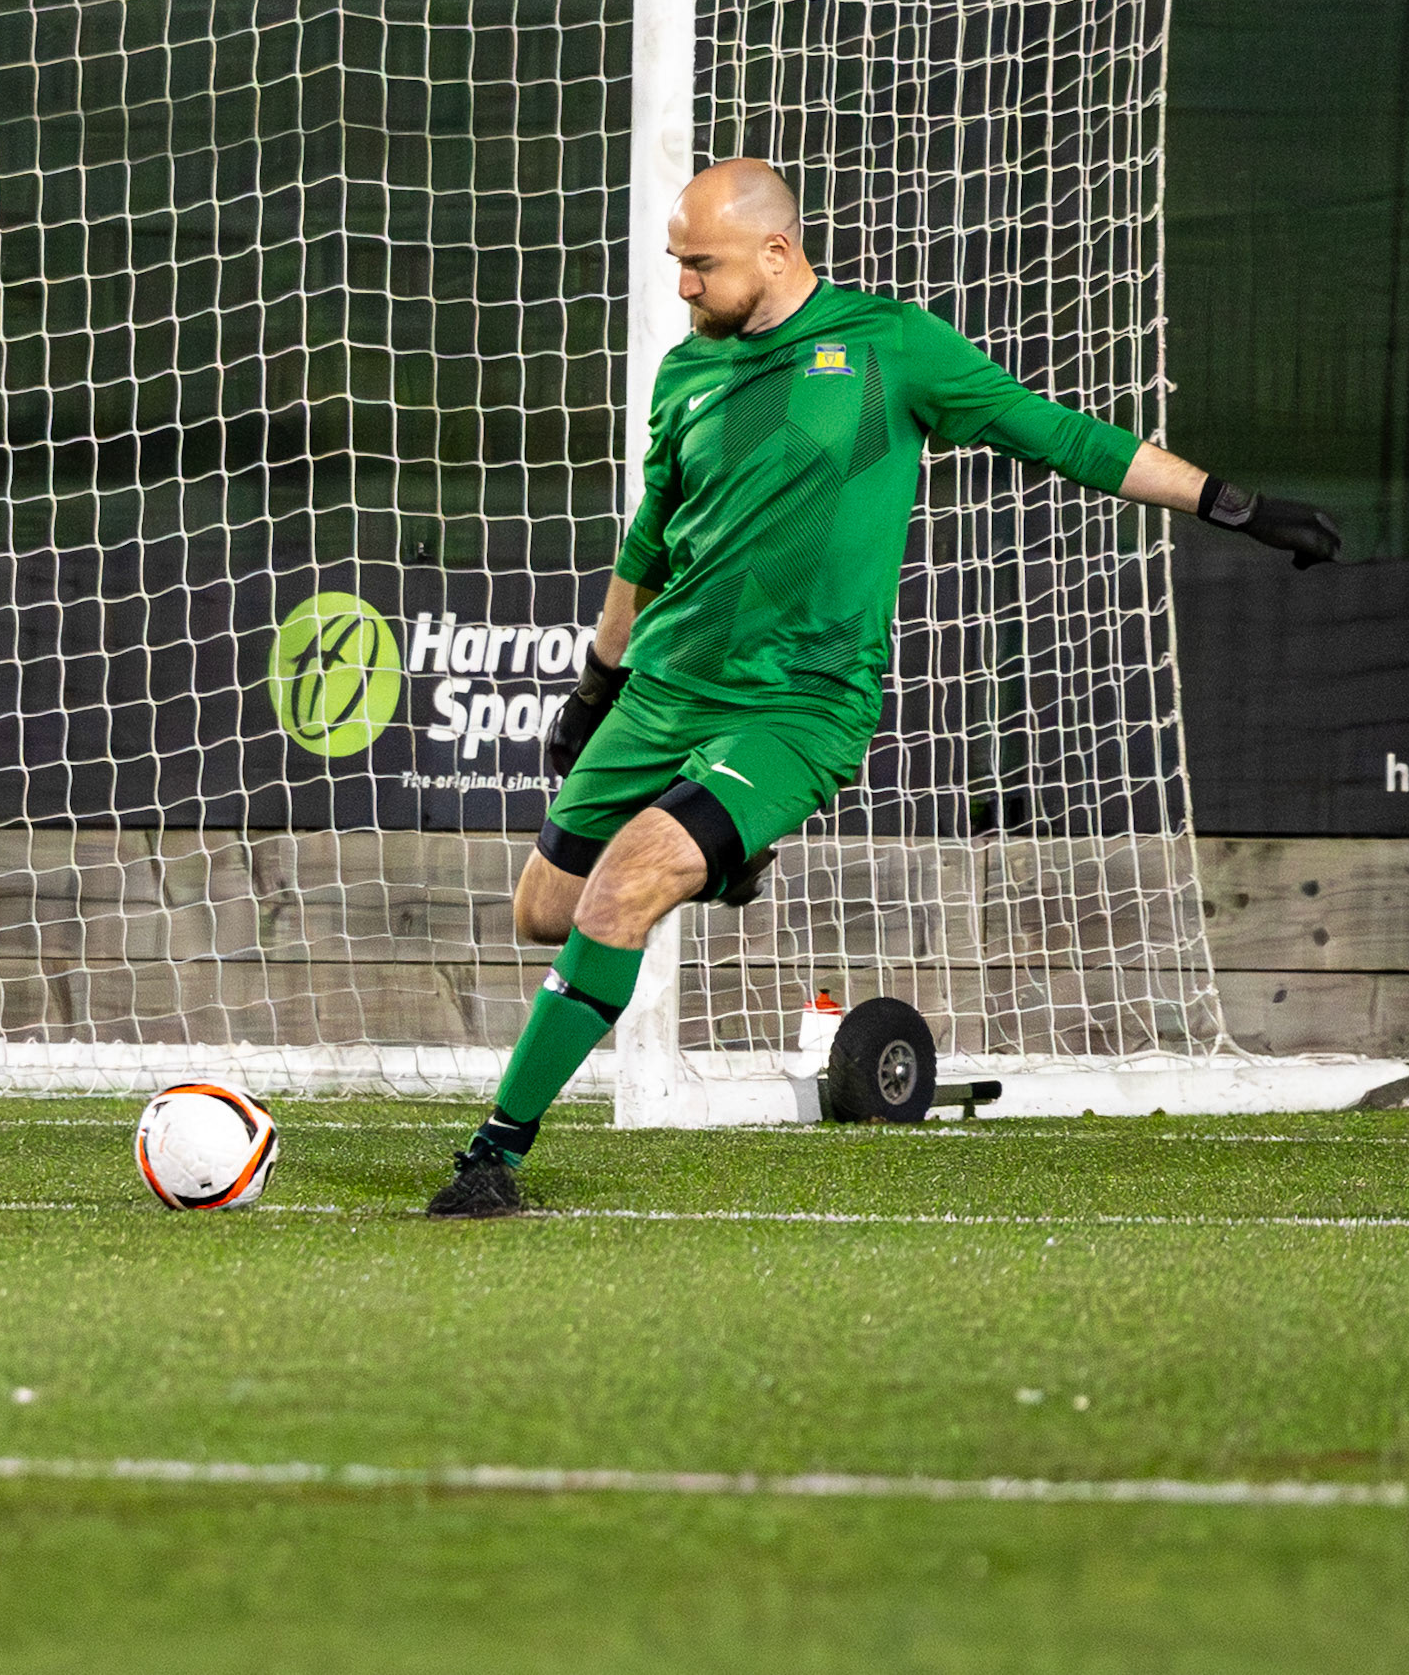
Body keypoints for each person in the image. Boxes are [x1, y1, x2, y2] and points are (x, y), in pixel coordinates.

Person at [426, 158, 1339, 1217]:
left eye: (700, 264)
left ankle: (492, 1155)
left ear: (776, 251)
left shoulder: (889, 347)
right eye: (676, 263)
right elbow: (647, 548)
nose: (682, 285)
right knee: (546, 912)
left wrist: (1232, 505)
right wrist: (596, 685)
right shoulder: (687, 372)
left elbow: (1060, 435)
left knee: (627, 884)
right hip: (664, 688)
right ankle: (725, 858)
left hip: (799, 704)